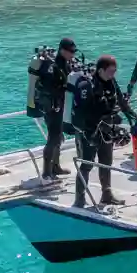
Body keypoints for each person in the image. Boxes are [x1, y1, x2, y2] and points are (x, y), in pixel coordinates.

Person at [72, 54, 136, 208]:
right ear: (100, 70)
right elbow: (84, 113)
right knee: (87, 164)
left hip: (107, 128)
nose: (113, 74)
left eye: (114, 71)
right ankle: (79, 198)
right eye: (110, 71)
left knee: (106, 162)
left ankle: (106, 195)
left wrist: (135, 118)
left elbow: (122, 102)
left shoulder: (111, 82)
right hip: (90, 130)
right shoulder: (87, 85)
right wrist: (94, 129)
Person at [38, 37, 77, 183]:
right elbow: (51, 87)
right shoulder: (53, 66)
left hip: (60, 104)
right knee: (53, 138)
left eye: (74, 51)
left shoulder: (64, 63)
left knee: (59, 136)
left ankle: (55, 167)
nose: (72, 54)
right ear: (62, 50)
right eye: (70, 51)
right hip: (52, 106)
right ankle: (46, 173)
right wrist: (68, 87)